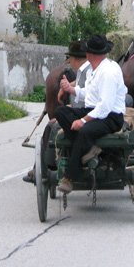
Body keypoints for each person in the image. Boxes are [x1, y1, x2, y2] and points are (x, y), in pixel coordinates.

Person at [54, 34, 128, 194]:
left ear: (89, 54)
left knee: (84, 131)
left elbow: (105, 106)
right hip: (94, 111)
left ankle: (70, 177)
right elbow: (90, 94)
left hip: (111, 117)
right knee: (60, 112)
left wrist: (83, 121)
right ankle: (90, 149)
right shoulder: (95, 70)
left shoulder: (108, 72)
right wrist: (71, 89)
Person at [22, 40, 90, 184]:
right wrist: (68, 87)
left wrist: (69, 90)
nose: (69, 62)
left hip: (88, 115)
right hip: (91, 113)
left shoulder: (87, 71)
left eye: (70, 58)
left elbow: (87, 96)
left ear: (75, 58)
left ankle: (45, 167)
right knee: (60, 113)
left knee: (51, 126)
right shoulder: (89, 70)